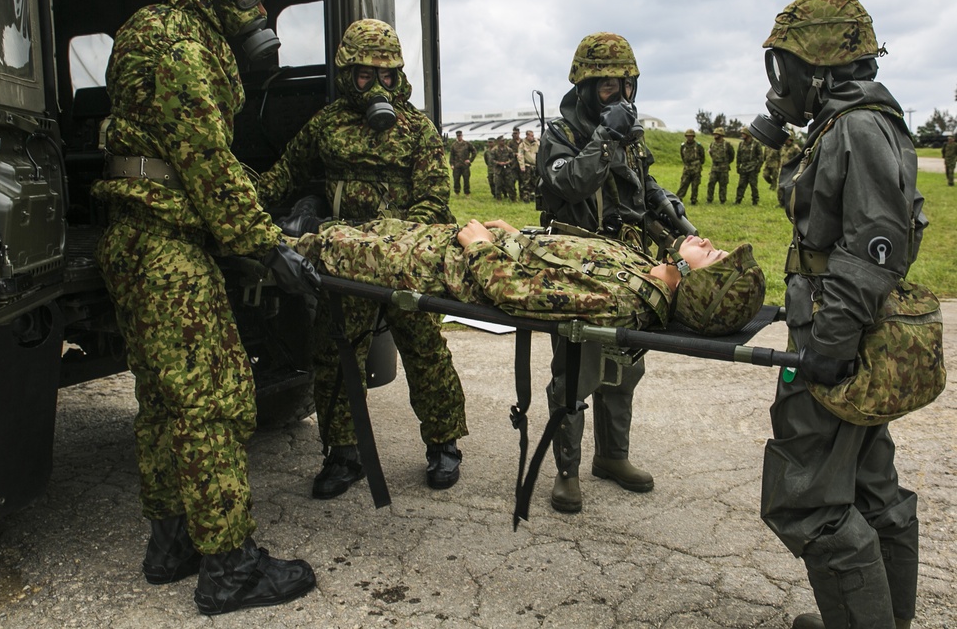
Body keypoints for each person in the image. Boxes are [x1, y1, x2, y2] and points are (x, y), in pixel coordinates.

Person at [91, 0, 318, 615]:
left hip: (141, 237)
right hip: (166, 247)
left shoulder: (156, 32)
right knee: (215, 401)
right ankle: (231, 566)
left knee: (163, 402)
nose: (255, 2)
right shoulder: (177, 43)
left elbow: (194, 160)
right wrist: (266, 246)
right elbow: (205, 160)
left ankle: (171, 541)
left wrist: (264, 213)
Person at [755, 0, 927, 629]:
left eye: (789, 66)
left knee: (808, 501)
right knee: (867, 484)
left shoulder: (856, 127)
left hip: (838, 337)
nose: (783, 80)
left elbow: (871, 249)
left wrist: (828, 346)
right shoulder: (851, 122)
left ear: (821, 66)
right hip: (849, 331)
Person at [256, 18, 468, 498]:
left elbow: (433, 201)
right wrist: (238, 199)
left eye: (388, 76)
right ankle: (343, 453)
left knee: (425, 350)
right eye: (365, 76)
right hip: (344, 263)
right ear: (347, 74)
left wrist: (395, 244)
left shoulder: (417, 129)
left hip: (403, 261)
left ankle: (443, 443)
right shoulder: (327, 125)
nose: (378, 86)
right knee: (335, 355)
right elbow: (284, 174)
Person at [537, 31, 691, 514]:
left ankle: (612, 456)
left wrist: (661, 200)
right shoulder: (560, 137)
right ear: (584, 88)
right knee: (574, 373)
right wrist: (605, 137)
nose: (620, 97)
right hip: (577, 270)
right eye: (608, 87)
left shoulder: (630, 137)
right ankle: (566, 472)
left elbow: (637, 183)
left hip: (627, 268)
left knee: (624, 367)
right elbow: (571, 181)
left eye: (627, 87)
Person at [293, 218, 764, 337]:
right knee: (368, 228)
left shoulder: (622, 302)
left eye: (713, 256)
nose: (705, 242)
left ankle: (265, 242)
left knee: (329, 250)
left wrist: (477, 245)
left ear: (699, 287)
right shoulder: (642, 268)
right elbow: (567, 260)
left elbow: (514, 293)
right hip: (459, 246)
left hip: (441, 266)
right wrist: (519, 237)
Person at [734, 127, 764, 205]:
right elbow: (738, 156)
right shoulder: (741, 144)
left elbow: (761, 157)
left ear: (748, 134)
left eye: (743, 133)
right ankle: (738, 200)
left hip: (752, 168)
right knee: (741, 185)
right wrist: (738, 166)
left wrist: (758, 167)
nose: (742, 135)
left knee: (753, 185)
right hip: (743, 168)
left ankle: (755, 200)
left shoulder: (756, 144)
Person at [676, 129, 705, 206]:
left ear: (693, 136)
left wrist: (698, 164)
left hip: (696, 167)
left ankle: (694, 199)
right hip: (687, 167)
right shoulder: (683, 146)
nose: (689, 138)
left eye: (691, 136)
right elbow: (682, 156)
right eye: (688, 136)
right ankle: (679, 198)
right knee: (683, 183)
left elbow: (702, 157)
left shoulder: (698, 146)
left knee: (695, 184)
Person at [706, 127, 735, 204]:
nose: (715, 135)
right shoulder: (712, 144)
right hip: (714, 168)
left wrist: (726, 163)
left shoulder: (727, 144)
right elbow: (711, 153)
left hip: (724, 168)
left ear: (721, 135)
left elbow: (732, 155)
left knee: (723, 185)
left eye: (717, 134)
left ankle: (722, 200)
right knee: (711, 183)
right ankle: (709, 199)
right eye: (714, 134)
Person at [449, 130, 476, 195]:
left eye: (460, 135)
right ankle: (457, 192)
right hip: (456, 165)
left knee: (466, 179)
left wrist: (470, 160)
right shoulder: (454, 145)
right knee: (456, 179)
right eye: (458, 136)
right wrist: (452, 164)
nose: (459, 137)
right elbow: (451, 155)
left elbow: (474, 151)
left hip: (465, 165)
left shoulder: (467, 144)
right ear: (456, 136)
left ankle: (467, 193)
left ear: (462, 135)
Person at [517, 129, 540, 203]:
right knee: (526, 182)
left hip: (535, 166)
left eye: (533, 136)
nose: (533, 137)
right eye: (531, 136)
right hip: (527, 166)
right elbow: (520, 155)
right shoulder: (522, 144)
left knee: (535, 182)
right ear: (527, 136)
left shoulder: (536, 143)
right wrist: (522, 166)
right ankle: (526, 197)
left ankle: (534, 197)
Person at [492, 136, 518, 200]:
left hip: (507, 169)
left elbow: (513, 158)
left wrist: (508, 162)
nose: (503, 142)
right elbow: (491, 160)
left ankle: (513, 198)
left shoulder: (508, 149)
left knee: (510, 184)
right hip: (498, 170)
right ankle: (498, 198)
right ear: (498, 141)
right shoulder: (494, 150)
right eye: (502, 141)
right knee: (498, 184)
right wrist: (498, 163)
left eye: (504, 140)